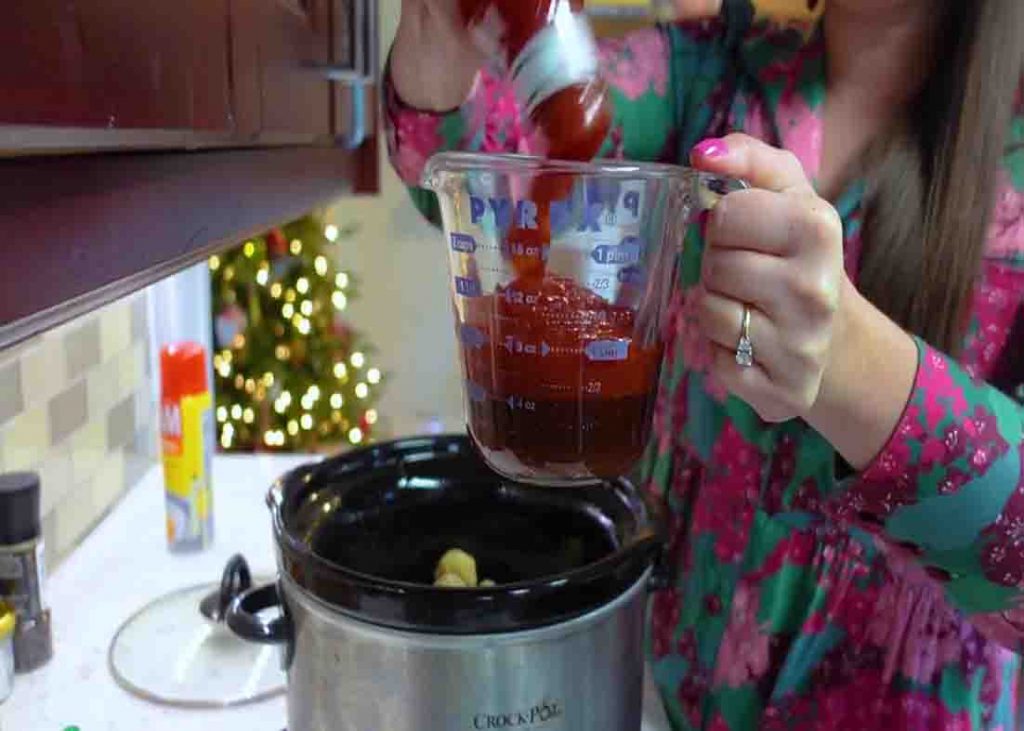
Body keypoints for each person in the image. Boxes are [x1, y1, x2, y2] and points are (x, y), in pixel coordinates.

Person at [385, 0, 1024, 727]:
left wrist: (853, 365)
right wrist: (437, 37)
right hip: (666, 683)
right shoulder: (706, 71)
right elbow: (483, 168)